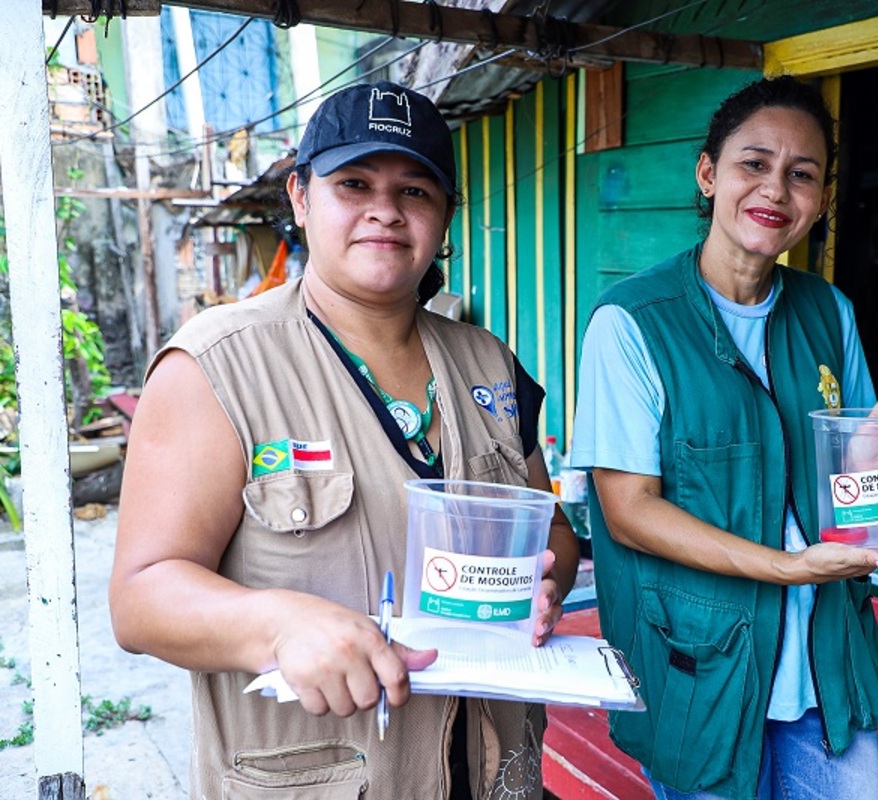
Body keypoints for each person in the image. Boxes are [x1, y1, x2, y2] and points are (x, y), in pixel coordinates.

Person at [110, 80, 579, 800]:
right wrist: (277, 625)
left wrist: (546, 579)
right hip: (326, 779)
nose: (385, 211)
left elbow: (551, 529)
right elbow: (141, 599)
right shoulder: (217, 367)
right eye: (353, 183)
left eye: (416, 190)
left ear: (446, 213)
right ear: (300, 197)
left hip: (492, 772)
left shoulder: (488, 361)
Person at [569, 76, 878, 800]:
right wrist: (785, 566)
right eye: (754, 163)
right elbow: (628, 511)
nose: (776, 188)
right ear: (708, 174)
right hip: (703, 673)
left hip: (826, 664)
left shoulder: (829, 312)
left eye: (802, 174)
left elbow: (854, 498)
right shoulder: (632, 323)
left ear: (822, 199)